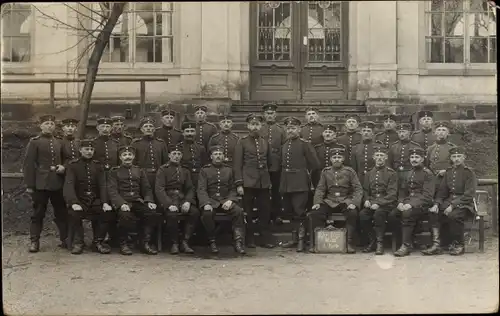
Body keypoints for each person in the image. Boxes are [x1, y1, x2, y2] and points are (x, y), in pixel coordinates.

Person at [23, 115, 68, 253]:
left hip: (57, 183)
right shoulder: (35, 142)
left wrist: (63, 167)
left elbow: (67, 158)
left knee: (61, 212)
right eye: (46, 123)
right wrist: (30, 185)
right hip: (40, 184)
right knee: (38, 213)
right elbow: (29, 164)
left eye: (52, 124)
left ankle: (65, 239)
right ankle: (34, 241)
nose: (49, 126)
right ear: (41, 126)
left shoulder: (60, 141)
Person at [107, 146, 161, 255]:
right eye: (125, 155)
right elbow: (112, 191)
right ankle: (123, 244)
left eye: (130, 155)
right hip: (123, 201)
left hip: (137, 201)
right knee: (125, 215)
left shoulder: (139, 170)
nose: (127, 157)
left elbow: (146, 188)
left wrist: (149, 201)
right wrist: (121, 203)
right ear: (120, 157)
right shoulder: (114, 171)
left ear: (133, 156)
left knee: (151, 213)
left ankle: (144, 243)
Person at [63, 139, 114, 254]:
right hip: (80, 200)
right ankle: (78, 242)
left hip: (94, 200)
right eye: (86, 149)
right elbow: (69, 185)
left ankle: (98, 242)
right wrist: (74, 202)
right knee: (74, 213)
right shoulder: (73, 165)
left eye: (91, 149)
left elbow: (103, 185)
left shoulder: (98, 165)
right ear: (80, 150)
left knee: (107, 212)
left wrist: (105, 202)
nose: (89, 152)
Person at [309, 146, 363, 253]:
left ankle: (348, 243)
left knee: (352, 213)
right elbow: (320, 189)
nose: (337, 159)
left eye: (339, 157)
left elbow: (358, 189)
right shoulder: (326, 172)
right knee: (316, 213)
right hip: (330, 200)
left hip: (345, 200)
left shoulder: (349, 171)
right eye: (334, 157)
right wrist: (317, 202)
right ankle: (318, 243)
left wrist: (354, 203)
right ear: (330, 159)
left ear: (343, 159)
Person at [279, 117, 321, 251]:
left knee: (300, 211)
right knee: (289, 210)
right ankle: (294, 238)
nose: (290, 130)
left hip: (300, 182)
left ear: (299, 129)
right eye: (288, 128)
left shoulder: (305, 144)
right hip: (286, 182)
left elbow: (315, 164)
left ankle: (303, 240)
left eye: (293, 128)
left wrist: (306, 177)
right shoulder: (285, 144)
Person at [234, 114, 275, 249]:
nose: (255, 127)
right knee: (248, 212)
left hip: (263, 181)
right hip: (248, 182)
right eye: (252, 124)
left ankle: (264, 238)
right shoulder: (242, 142)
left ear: (261, 126)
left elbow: (269, 162)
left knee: (265, 210)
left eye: (257, 124)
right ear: (248, 126)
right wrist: (239, 183)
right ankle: (250, 238)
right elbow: (237, 164)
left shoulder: (265, 142)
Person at [198, 145, 246, 254]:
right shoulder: (204, 170)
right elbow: (201, 189)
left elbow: (233, 188)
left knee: (238, 212)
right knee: (207, 214)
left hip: (225, 200)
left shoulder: (229, 170)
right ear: (211, 157)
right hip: (211, 200)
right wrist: (206, 203)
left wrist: (230, 200)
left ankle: (238, 242)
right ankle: (212, 241)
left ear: (224, 156)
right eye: (215, 154)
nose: (218, 156)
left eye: (220, 154)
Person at [390, 147, 435, 257]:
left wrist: (411, 204)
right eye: (412, 157)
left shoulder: (427, 174)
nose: (414, 159)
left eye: (417, 157)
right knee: (392, 215)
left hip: (423, 204)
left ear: (422, 159)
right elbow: (402, 191)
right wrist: (400, 202)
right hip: (408, 202)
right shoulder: (409, 173)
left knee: (407, 214)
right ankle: (406, 241)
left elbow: (427, 196)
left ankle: (406, 245)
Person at [432, 146, 477, 256]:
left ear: (464, 157)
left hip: (465, 203)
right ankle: (438, 244)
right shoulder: (448, 172)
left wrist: (453, 205)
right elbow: (442, 191)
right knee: (434, 213)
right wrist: (436, 204)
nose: (456, 159)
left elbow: (469, 194)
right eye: (454, 156)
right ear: (451, 158)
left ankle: (459, 245)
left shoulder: (469, 172)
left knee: (454, 215)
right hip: (449, 201)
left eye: (459, 156)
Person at [155, 145, 199, 254]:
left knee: (194, 212)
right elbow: (159, 189)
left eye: (179, 154)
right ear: (169, 155)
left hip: (182, 199)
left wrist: (188, 201)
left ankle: (185, 242)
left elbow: (190, 188)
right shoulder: (163, 169)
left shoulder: (185, 170)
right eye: (174, 154)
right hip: (168, 199)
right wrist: (168, 204)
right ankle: (174, 243)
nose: (176, 156)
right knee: (172, 215)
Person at [358, 145, 398, 255]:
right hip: (372, 203)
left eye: (382, 155)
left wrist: (378, 203)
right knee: (363, 215)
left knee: (378, 214)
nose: (379, 158)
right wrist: (366, 200)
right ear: (373, 157)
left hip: (387, 204)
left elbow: (392, 194)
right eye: (377, 155)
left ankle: (380, 243)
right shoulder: (369, 173)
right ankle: (373, 240)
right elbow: (365, 190)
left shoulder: (391, 173)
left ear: (386, 158)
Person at [260, 102, 286, 224]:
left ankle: (277, 214)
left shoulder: (281, 130)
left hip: (277, 164)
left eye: (272, 113)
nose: (269, 115)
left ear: (275, 115)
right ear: (264, 115)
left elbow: (285, 147)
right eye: (267, 113)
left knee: (276, 190)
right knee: (263, 191)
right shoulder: (259, 128)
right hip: (262, 165)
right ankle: (264, 215)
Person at [131, 116, 168, 191]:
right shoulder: (136, 143)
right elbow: (133, 163)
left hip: (159, 176)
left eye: (151, 126)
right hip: (143, 176)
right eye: (146, 126)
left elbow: (165, 162)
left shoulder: (161, 143)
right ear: (141, 129)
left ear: (154, 129)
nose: (148, 128)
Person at [388, 123, 422, 196]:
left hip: (410, 173)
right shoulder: (393, 146)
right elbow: (389, 161)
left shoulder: (415, 146)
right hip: (396, 173)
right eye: (399, 132)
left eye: (404, 132)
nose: (401, 134)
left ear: (409, 132)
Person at [350, 121, 384, 186]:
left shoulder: (379, 146)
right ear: (361, 133)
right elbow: (353, 166)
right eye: (364, 131)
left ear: (373, 133)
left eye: (368, 131)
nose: (366, 133)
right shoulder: (355, 147)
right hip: (360, 178)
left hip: (375, 178)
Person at [178, 120, 209, 189]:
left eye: (192, 131)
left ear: (195, 133)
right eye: (187, 131)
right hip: (184, 177)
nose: (190, 134)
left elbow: (205, 164)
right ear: (183, 133)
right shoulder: (178, 148)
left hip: (199, 177)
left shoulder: (201, 147)